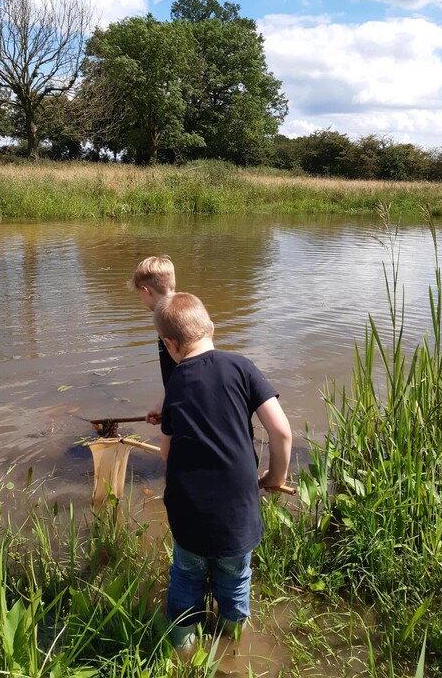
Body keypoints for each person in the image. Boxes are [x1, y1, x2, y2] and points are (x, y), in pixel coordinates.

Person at [153, 292, 292, 649]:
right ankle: (232, 643)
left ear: (170, 344)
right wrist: (276, 478)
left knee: (186, 575)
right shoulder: (242, 366)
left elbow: (167, 452)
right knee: (234, 580)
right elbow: (281, 430)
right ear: (211, 328)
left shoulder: (176, 383)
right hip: (237, 511)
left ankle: (182, 647)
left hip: (187, 511)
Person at [128, 255, 177, 423]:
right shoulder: (186, 311)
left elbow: (186, 368)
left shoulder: (167, 320)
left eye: (140, 295)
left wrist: (172, 408)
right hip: (180, 399)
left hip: (183, 404)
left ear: (145, 291)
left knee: (170, 448)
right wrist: (162, 404)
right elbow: (176, 370)